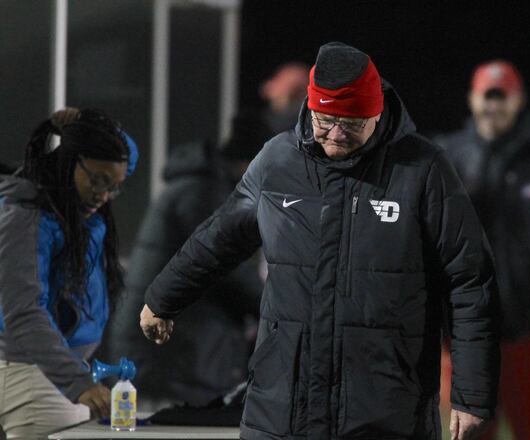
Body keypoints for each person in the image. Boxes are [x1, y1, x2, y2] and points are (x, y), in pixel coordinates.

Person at [139, 42, 500, 440]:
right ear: (309, 108)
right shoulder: (277, 161)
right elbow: (219, 238)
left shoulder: (423, 170)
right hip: (282, 406)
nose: (335, 135)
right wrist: (163, 297)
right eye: (325, 120)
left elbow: (471, 281)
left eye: (351, 124)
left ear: (377, 113)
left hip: (385, 411)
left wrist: (471, 394)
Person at [436, 60, 530, 440]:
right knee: (470, 432)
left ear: (518, 101)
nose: (494, 106)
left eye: (502, 98)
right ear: (472, 99)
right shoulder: (448, 157)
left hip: (527, 327)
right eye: (488, 96)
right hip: (466, 332)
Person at [105, 122, 264, 409]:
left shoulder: (199, 187)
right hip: (170, 356)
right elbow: (224, 262)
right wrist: (277, 306)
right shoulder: (202, 193)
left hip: (171, 352)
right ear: (252, 164)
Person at [0, 108, 137, 439]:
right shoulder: (27, 219)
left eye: (113, 186)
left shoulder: (75, 211)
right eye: (97, 180)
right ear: (69, 162)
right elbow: (23, 312)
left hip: (56, 371)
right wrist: (76, 381)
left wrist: (92, 123)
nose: (103, 195)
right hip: (31, 372)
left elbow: (122, 155)